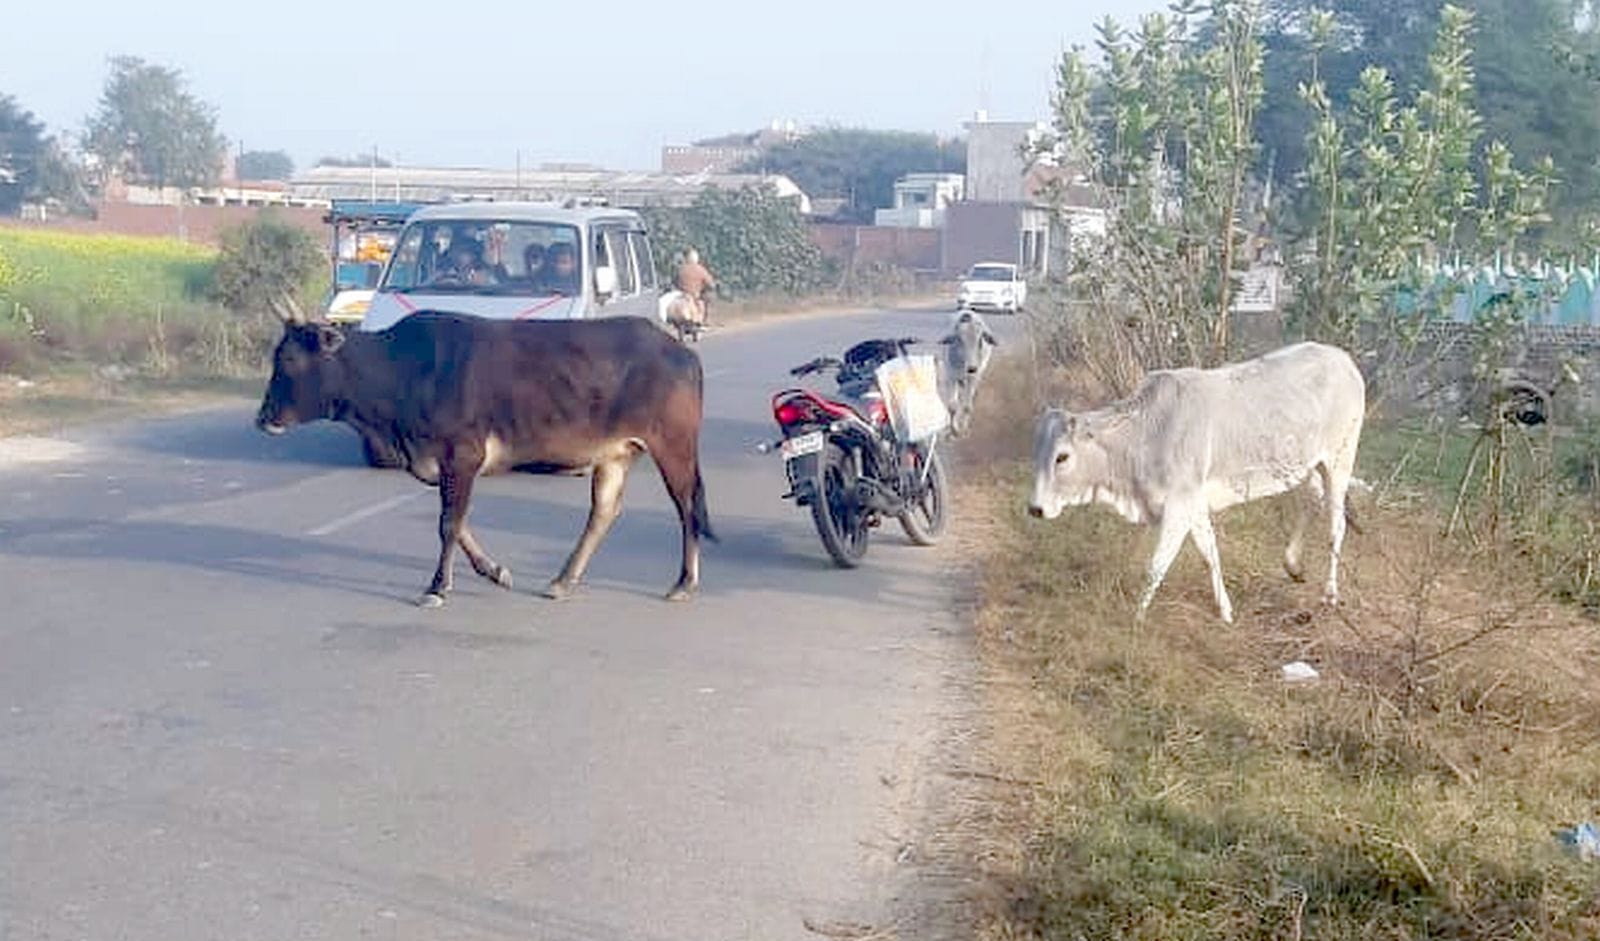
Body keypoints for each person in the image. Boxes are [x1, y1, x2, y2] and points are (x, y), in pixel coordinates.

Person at [673, 248, 716, 325]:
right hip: (695, 295)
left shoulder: (681, 269)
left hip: (682, 295)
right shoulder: (700, 269)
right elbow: (710, 283)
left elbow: (675, 282)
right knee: (707, 299)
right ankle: (704, 320)